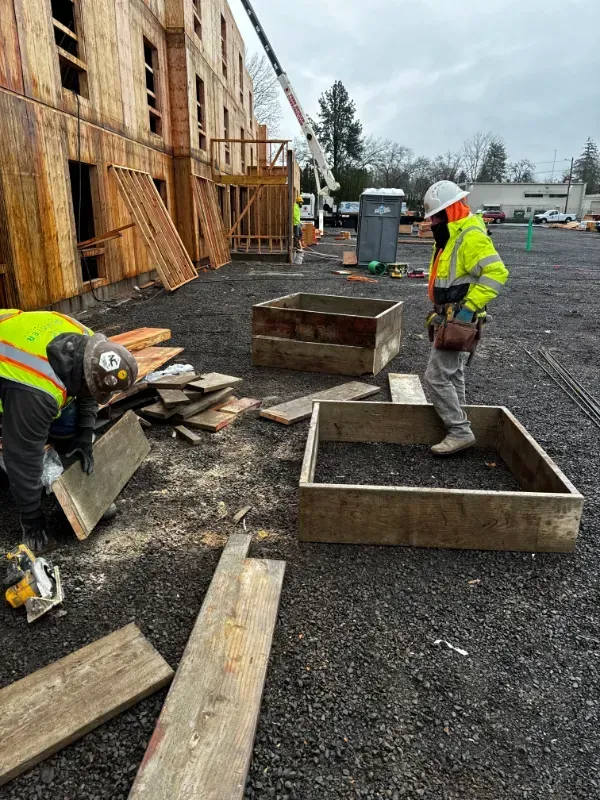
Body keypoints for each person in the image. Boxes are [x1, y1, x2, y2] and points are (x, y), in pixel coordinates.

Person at [0, 309, 138, 551]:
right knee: (18, 447)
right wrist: (32, 520)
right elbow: (23, 456)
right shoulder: (37, 390)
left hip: (9, 338)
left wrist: (84, 435)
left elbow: (87, 393)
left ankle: (71, 483)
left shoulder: (89, 341)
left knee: (69, 419)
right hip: (13, 373)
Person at [422, 181, 509, 456]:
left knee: (435, 377)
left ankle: (459, 430)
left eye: (435, 216)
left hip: (461, 318)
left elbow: (497, 273)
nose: (432, 222)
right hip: (451, 317)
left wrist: (469, 308)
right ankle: (460, 426)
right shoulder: (452, 235)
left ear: (450, 211)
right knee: (454, 373)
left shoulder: (469, 235)